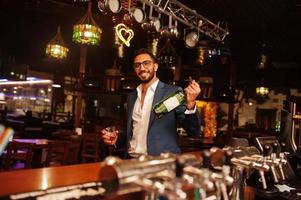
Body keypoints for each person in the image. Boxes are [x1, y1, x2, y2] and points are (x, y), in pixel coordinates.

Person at [102, 48, 201, 158]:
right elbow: (133, 132)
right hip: (132, 161)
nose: (142, 68)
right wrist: (118, 139)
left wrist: (191, 104)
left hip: (160, 163)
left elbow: (194, 131)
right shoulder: (132, 97)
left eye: (146, 63)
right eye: (137, 65)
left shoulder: (172, 93)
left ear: (155, 66)